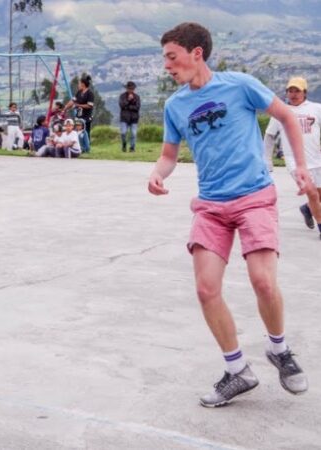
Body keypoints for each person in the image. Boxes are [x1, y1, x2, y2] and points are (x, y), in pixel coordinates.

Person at [148, 22, 312, 408]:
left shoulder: (239, 84)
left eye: (172, 57)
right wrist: (157, 173)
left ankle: (279, 349)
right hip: (211, 205)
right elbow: (170, 155)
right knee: (206, 289)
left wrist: (300, 167)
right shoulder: (175, 106)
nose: (167, 66)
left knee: (263, 282)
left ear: (196, 53)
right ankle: (237, 369)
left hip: (254, 196)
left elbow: (288, 117)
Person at [264, 77, 321, 239]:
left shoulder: (316, 109)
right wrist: (267, 161)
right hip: (294, 162)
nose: (294, 94)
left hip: (316, 159)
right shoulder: (280, 112)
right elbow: (269, 137)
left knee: (318, 194)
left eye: (297, 91)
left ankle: (307, 209)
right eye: (291, 91)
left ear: (305, 92)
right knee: (312, 193)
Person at [65, 74, 95, 139]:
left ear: (83, 84)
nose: (78, 85)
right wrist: (65, 107)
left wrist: (78, 105)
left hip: (86, 117)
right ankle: (80, 146)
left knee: (86, 132)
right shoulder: (79, 92)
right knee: (77, 131)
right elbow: (73, 101)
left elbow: (89, 106)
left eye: (79, 83)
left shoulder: (90, 94)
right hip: (79, 116)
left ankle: (86, 147)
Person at [118, 81, 141, 152]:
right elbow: (122, 105)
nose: (131, 90)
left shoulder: (137, 97)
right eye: (129, 89)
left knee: (133, 134)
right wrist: (128, 100)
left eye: (132, 89)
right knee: (123, 133)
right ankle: (124, 144)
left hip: (134, 118)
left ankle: (132, 148)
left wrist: (128, 106)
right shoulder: (122, 96)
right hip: (124, 118)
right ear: (127, 89)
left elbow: (137, 107)